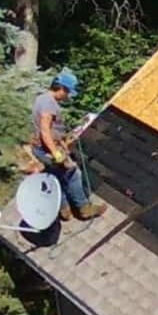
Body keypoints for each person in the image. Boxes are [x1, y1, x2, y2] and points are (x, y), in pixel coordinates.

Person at [31, 70, 102, 221]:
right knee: (73, 174)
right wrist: (56, 153)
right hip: (47, 149)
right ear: (61, 88)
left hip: (39, 148)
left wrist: (62, 140)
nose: (68, 96)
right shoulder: (49, 104)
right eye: (68, 92)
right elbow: (45, 130)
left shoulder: (42, 98)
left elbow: (50, 129)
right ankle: (84, 208)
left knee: (56, 176)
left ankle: (64, 209)